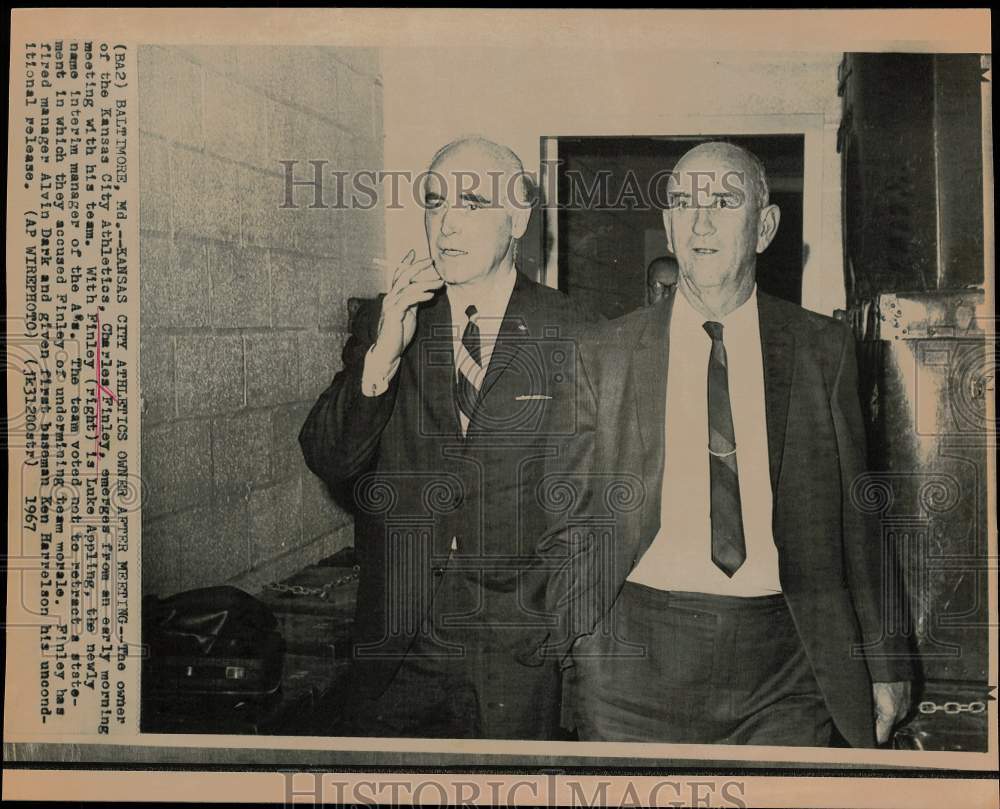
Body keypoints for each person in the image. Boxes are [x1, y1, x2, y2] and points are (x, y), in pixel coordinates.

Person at [534, 141, 914, 747]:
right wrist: (576, 644)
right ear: (668, 224)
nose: (700, 222)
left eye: (723, 201)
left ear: (764, 227)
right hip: (632, 663)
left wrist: (886, 659)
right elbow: (560, 519)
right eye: (683, 203)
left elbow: (856, 518)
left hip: (786, 663)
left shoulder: (823, 350)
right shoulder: (602, 355)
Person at [299, 135, 590, 739]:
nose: (447, 224)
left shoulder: (577, 330)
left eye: (472, 204)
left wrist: (558, 619)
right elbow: (328, 455)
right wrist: (384, 351)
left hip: (519, 643)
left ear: (518, 216)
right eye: (434, 203)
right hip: (399, 639)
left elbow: (598, 491)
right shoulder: (390, 317)